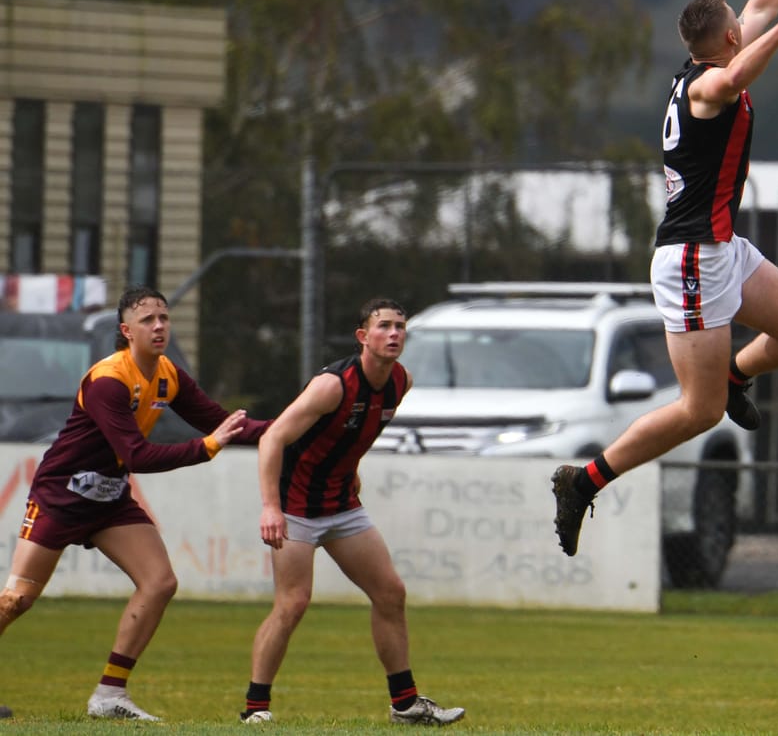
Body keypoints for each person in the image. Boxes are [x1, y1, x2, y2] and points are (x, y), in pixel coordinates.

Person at [552, 0, 778, 556]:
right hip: (691, 259)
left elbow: (759, 8)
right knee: (698, 411)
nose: (749, 17)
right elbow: (743, 65)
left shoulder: (711, 62)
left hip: (722, 248)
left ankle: (739, 373)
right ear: (729, 37)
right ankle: (584, 479)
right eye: (742, 21)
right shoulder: (709, 86)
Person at [0, 285, 265, 722]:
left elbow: (225, 423)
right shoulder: (109, 380)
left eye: (163, 317)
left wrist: (299, 427)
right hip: (61, 496)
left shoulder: (168, 375)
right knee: (17, 601)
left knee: (160, 582)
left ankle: (109, 696)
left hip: (108, 499)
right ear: (126, 331)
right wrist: (207, 447)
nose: (159, 325)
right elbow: (138, 454)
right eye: (148, 320)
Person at [239, 298, 462, 726]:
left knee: (390, 593)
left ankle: (405, 705)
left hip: (341, 504)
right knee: (293, 603)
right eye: (384, 326)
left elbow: (356, 431)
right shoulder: (332, 385)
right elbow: (272, 439)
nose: (394, 334)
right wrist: (271, 507)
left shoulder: (402, 381)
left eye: (400, 326)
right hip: (297, 506)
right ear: (363, 337)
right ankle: (255, 709)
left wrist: (351, 468)